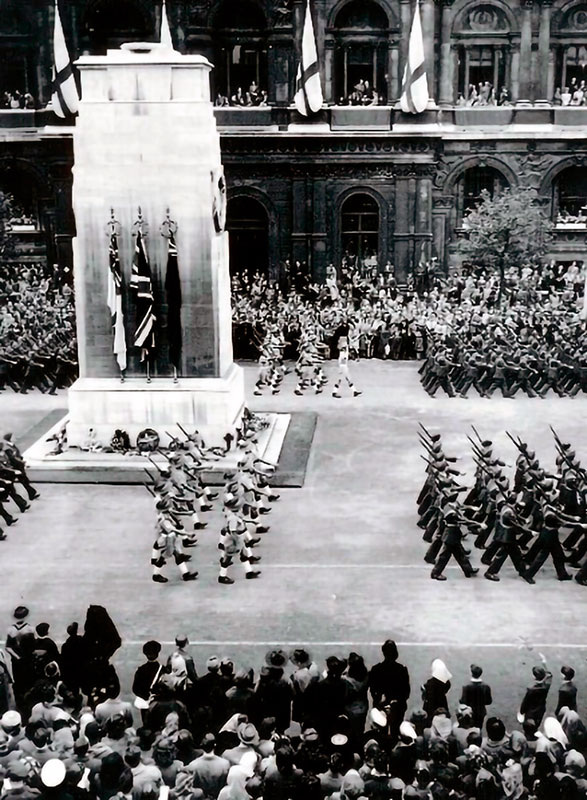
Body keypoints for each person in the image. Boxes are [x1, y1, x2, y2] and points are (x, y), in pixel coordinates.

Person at [460, 665, 492, 729]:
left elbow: (463, 701)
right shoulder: (486, 687)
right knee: (479, 727)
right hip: (481, 712)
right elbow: (489, 701)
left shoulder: (466, 687)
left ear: (471, 673)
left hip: (469, 712)